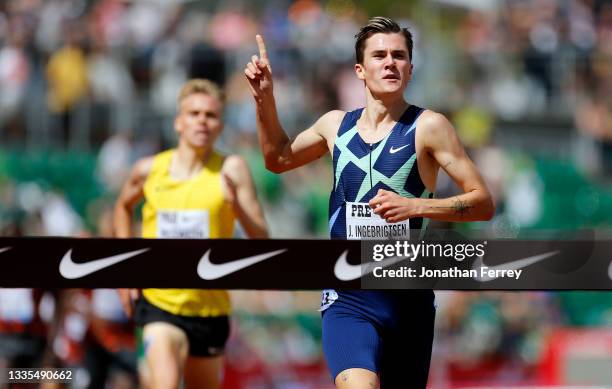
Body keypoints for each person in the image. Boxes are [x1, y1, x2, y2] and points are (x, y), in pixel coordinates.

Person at [245, 17, 494, 388]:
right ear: (360, 70)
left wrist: (418, 207)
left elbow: (483, 202)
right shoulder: (334, 125)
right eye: (380, 55)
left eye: (399, 55)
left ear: (410, 69)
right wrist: (264, 98)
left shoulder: (429, 126)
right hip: (349, 297)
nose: (390, 62)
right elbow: (277, 159)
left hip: (407, 298)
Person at [114, 78, 268, 389]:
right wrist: (125, 272)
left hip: (209, 308)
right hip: (160, 303)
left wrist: (236, 205)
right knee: (166, 382)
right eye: (194, 113)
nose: (202, 121)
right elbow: (121, 208)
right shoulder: (149, 170)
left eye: (210, 115)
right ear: (178, 122)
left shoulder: (232, 169)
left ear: (220, 125)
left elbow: (262, 239)